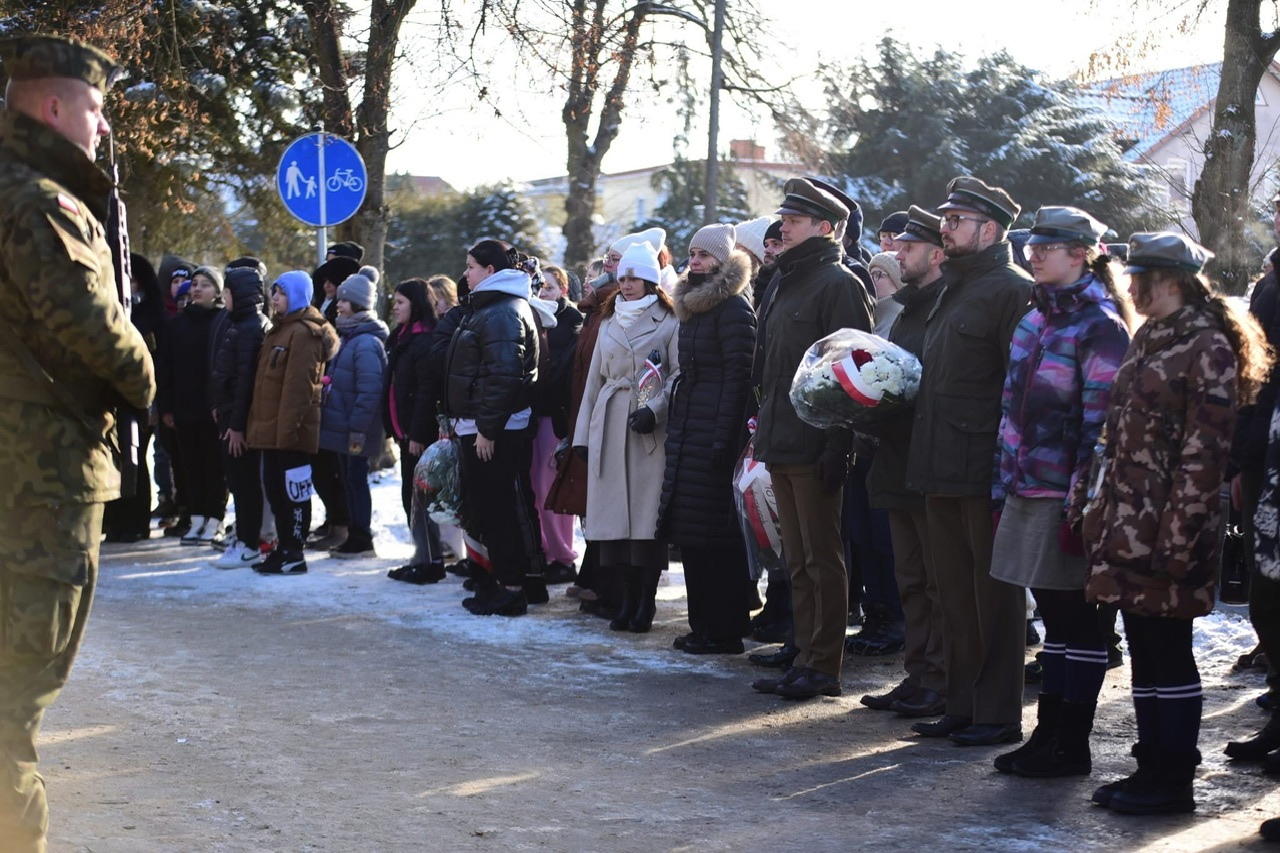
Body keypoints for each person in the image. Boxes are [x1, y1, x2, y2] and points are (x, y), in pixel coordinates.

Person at [0, 34, 155, 850]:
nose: (101, 126)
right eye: (94, 108)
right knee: (9, 707)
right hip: (38, 480)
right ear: (53, 106)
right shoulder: (39, 203)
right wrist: (146, 379)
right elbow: (95, 329)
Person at [1082, 232, 1270, 815]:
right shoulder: (1153, 336)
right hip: (1130, 518)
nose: (1131, 287)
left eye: (1140, 278)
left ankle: (1173, 777)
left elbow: (1204, 453)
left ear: (1171, 281)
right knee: (1145, 647)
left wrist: (1179, 536)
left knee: (1169, 649)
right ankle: (1151, 767)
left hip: (1171, 524)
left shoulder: (1205, 345)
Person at [985, 207, 1133, 778]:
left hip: (1066, 497)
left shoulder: (1099, 325)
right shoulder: (1036, 318)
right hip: (1026, 487)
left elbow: (1102, 428)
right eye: (1033, 247)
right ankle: (1047, 735)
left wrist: (1083, 504)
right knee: (1054, 621)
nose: (1035, 255)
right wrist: (1002, 485)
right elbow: (1011, 414)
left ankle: (1071, 743)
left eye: (1048, 248)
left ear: (1082, 255)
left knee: (1076, 623)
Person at [906, 176, 1032, 746]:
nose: (946, 229)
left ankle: (998, 713)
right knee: (953, 595)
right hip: (939, 463)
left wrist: (1007, 466)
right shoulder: (954, 287)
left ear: (991, 230)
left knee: (993, 598)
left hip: (983, 468)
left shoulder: (1011, 290)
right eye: (946, 219)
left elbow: (1019, 387)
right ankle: (962, 703)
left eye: (957, 221)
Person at [750, 178, 874, 700]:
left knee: (822, 557)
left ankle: (824, 665)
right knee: (796, 558)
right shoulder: (787, 278)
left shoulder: (838, 283)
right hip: (782, 434)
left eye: (795, 221)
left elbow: (854, 370)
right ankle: (802, 654)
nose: (784, 228)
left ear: (824, 227)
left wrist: (838, 445)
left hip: (816, 440)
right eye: (784, 219)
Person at [861, 207, 949, 719]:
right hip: (897, 458)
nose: (897, 253)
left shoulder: (942, 305)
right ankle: (917, 675)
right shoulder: (911, 308)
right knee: (910, 579)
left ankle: (939, 678)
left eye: (908, 248)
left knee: (937, 582)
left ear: (935, 256)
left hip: (930, 462)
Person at [658, 223, 756, 654]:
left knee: (719, 539)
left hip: (715, 433)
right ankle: (702, 625)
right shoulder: (693, 307)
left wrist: (723, 439)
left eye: (704, 255)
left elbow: (738, 378)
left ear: (722, 259)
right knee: (694, 537)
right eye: (692, 254)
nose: (694, 261)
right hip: (690, 430)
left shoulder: (733, 308)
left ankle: (725, 629)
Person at [574, 240, 680, 632]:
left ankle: (645, 602)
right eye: (623, 278)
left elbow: (677, 373)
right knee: (613, 521)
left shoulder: (669, 320)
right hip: (610, 419)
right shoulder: (608, 320)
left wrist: (655, 410)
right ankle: (623, 600)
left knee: (645, 522)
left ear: (651, 280)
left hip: (647, 430)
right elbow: (594, 382)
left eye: (635, 277)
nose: (627, 284)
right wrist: (583, 436)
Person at [444, 239, 545, 616]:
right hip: (481, 425)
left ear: (490, 271)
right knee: (489, 509)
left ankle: (513, 589)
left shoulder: (503, 310)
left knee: (500, 510)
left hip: (495, 430)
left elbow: (503, 377)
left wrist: (487, 429)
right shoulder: (492, 306)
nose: (465, 273)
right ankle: (503, 583)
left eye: (471, 266)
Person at [246, 270, 339, 574]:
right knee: (276, 492)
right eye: (274, 292)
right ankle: (283, 547)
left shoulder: (303, 333)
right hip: (273, 431)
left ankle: (294, 551)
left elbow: (300, 389)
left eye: (282, 293)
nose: (275, 298)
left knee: (294, 494)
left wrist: (287, 431)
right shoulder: (279, 329)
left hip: (292, 433)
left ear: (297, 296)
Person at [318, 268, 389, 559]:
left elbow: (369, 392)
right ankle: (354, 534)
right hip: (344, 427)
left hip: (356, 430)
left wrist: (358, 428)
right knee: (349, 480)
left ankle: (361, 537)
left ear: (359, 304)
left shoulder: (366, 342)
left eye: (345, 301)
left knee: (356, 482)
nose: (339, 305)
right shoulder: (349, 337)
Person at [157, 264, 229, 546]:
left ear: (218, 291)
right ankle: (196, 518)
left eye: (205, 284)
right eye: (195, 284)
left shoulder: (222, 321)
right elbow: (166, 367)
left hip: (213, 409)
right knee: (190, 466)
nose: (197, 289)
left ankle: (215, 519)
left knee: (214, 467)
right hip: (184, 407)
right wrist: (166, 407)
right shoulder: (177, 324)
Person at [384, 279, 447, 584]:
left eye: (401, 303)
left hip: (418, 436)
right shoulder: (404, 336)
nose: (395, 308)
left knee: (420, 499)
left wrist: (419, 435)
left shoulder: (425, 339)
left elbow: (426, 392)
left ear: (416, 304)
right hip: (405, 433)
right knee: (411, 496)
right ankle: (421, 557)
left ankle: (430, 562)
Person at [209, 264, 271, 569]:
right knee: (237, 481)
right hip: (230, 417)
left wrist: (236, 425)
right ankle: (243, 537)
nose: (224, 298)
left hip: (240, 424)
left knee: (245, 484)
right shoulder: (239, 324)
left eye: (228, 292)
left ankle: (248, 543)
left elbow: (246, 381)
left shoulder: (251, 328)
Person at [103, 252, 165, 542]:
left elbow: (158, 359)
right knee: (116, 459)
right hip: (115, 396)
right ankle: (116, 521)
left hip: (142, 398)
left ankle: (137, 522)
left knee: (136, 459)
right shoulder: (115, 310)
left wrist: (155, 402)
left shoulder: (152, 314)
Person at [532, 265, 584, 583]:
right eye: (540, 287)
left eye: (549, 288)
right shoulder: (531, 314)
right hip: (533, 412)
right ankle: (545, 551)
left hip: (557, 414)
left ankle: (563, 555)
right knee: (534, 485)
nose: (543, 293)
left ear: (563, 290)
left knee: (548, 483)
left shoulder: (572, 319)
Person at [869, 252, 905, 336]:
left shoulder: (906, 328)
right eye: (870, 276)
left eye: (877, 275)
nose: (871, 281)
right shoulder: (866, 322)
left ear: (898, 281)